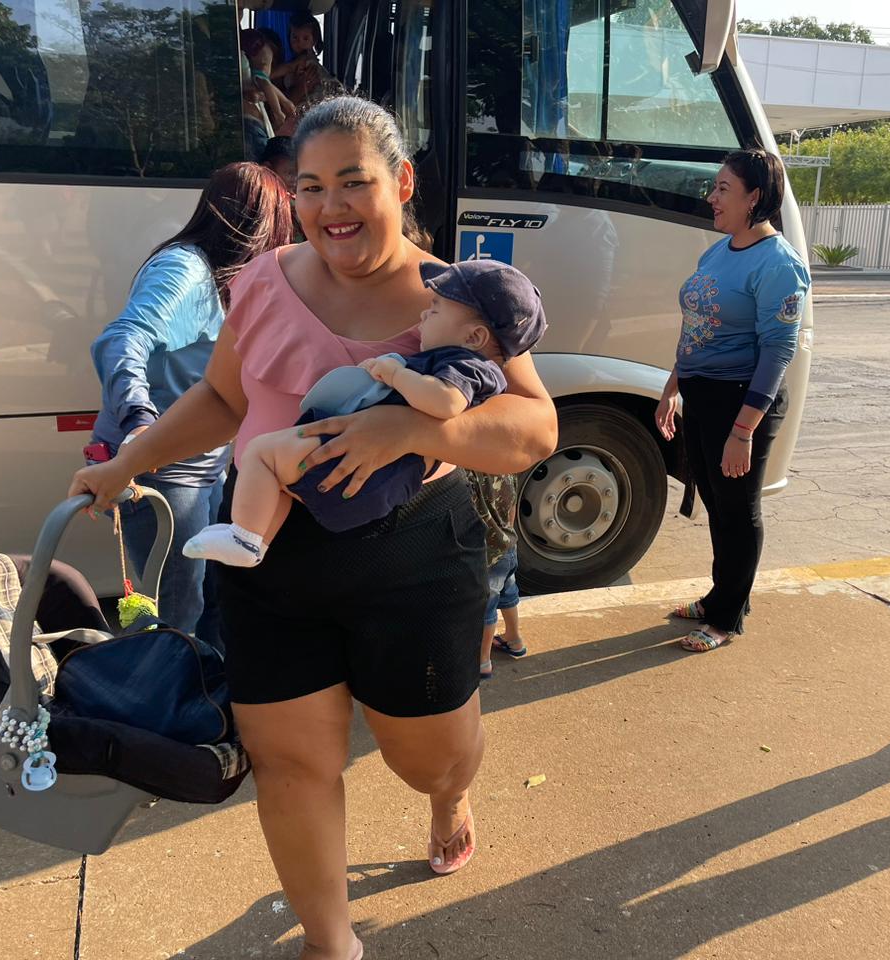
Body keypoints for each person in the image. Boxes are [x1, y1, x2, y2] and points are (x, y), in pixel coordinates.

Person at [68, 96, 558, 960]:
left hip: (413, 558)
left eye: (355, 182)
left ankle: (448, 798)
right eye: (312, 186)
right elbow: (223, 399)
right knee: (291, 764)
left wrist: (415, 427)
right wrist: (125, 464)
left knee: (426, 758)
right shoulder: (260, 281)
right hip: (267, 559)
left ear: (402, 183)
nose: (332, 206)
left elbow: (535, 429)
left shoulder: (458, 295)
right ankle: (332, 944)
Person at [182, 258, 546, 566]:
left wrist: (396, 373)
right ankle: (254, 539)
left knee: (260, 453)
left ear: (475, 337)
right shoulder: (461, 358)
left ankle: (244, 538)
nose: (423, 315)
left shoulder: (465, 364)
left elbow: (446, 402)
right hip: (361, 459)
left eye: (435, 310)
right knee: (276, 475)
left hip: (353, 457)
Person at [87, 162, 293, 641]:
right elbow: (121, 339)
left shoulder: (226, 279)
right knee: (178, 618)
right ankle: (172, 710)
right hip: (162, 472)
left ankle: (219, 706)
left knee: (225, 599)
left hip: (207, 469)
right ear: (257, 225)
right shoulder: (186, 268)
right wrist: (140, 420)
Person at [655, 149, 808, 653]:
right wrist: (672, 387)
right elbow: (698, 327)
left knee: (738, 510)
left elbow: (778, 351)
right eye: (714, 187)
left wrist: (743, 431)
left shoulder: (780, 264)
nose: (711, 197)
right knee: (717, 505)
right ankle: (722, 595)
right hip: (702, 394)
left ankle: (726, 618)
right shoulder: (718, 251)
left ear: (755, 198)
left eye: (723, 188)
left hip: (742, 401)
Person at [470, 471, 525, 681]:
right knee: (508, 594)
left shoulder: (470, 474)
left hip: (488, 555)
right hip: (508, 545)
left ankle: (483, 660)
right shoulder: (506, 468)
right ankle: (514, 637)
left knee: (486, 607)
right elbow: (512, 508)